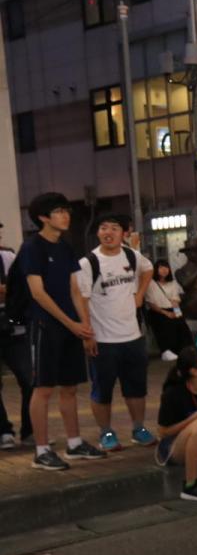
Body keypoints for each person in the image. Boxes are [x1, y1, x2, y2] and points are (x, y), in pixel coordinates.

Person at [19, 193, 102, 469]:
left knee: (70, 386)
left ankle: (75, 443)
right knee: (43, 389)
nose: (65, 215)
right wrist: (72, 324)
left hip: (70, 328)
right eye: (58, 211)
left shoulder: (65, 247)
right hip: (45, 326)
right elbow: (37, 293)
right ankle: (41, 450)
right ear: (43, 217)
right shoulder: (33, 247)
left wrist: (85, 327)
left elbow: (75, 290)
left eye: (66, 210)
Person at [76, 213, 156, 452]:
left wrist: (140, 294)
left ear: (124, 233)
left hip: (132, 337)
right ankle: (106, 432)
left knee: (137, 388)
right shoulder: (89, 262)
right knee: (102, 390)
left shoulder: (131, 255)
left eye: (114, 228)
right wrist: (87, 334)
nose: (108, 232)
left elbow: (148, 269)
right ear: (98, 232)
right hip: (103, 340)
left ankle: (139, 428)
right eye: (103, 228)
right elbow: (81, 299)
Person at [157, 345, 197, 501]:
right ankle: (191, 485)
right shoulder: (173, 393)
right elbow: (163, 432)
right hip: (176, 447)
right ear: (194, 371)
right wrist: (192, 420)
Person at [0, 224, 33, 448]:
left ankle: (30, 431)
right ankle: (3, 432)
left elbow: (21, 289)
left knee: (29, 379)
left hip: (12, 326)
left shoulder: (8, 257)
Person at [145, 260, 193, 360]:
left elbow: (175, 300)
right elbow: (150, 303)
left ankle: (185, 350)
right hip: (157, 311)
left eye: (166, 267)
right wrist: (166, 313)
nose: (164, 270)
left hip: (172, 309)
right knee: (165, 324)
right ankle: (166, 351)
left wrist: (177, 313)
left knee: (182, 325)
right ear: (156, 269)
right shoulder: (151, 283)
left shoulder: (173, 283)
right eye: (161, 267)